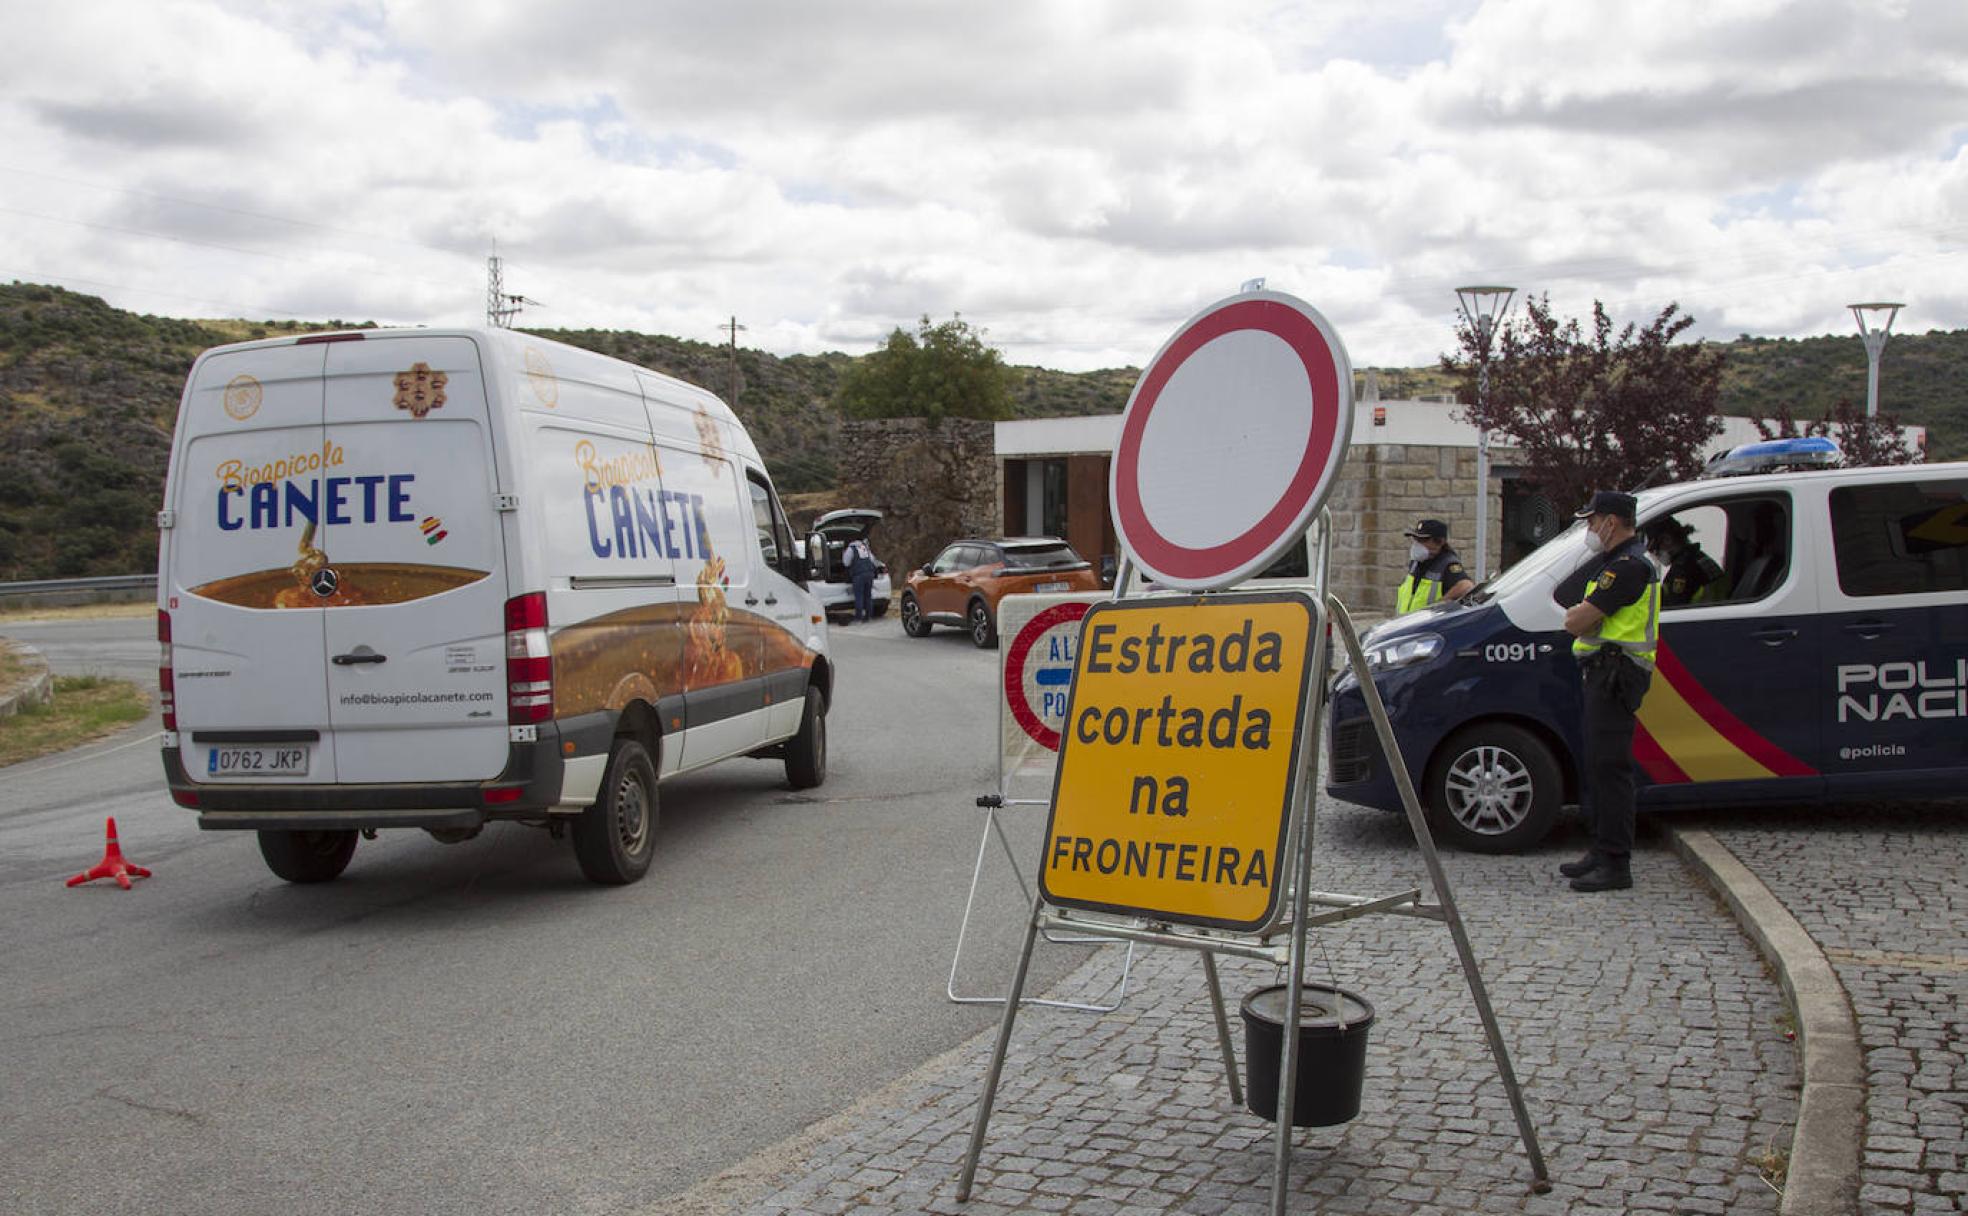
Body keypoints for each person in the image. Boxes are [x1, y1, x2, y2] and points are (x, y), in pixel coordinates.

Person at [1559, 491, 1661, 893]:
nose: (1589, 529)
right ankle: (1601, 850)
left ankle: (1616, 863)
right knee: (1599, 766)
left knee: (1612, 770)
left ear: (1611, 522)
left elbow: (1577, 620)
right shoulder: (1618, 563)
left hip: (1616, 674)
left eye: (1591, 522)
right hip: (1605, 673)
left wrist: (1580, 614)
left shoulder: (1627, 567)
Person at [1394, 519, 1474, 614]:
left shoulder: (1447, 564)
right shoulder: (1417, 562)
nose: (1417, 543)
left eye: (1422, 540)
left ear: (1439, 542)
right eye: (1416, 539)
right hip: (1408, 623)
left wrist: (1439, 606)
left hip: (1428, 626)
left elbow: (1466, 586)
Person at [1646, 517, 1729, 607]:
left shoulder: (1682, 570)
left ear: (1667, 540)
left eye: (1654, 548)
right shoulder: (1698, 558)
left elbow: (1673, 608)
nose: (1655, 555)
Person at [845, 536, 879, 623]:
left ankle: (858, 617)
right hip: (869, 574)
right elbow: (872, 559)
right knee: (868, 595)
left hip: (859, 575)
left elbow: (846, 562)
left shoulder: (851, 549)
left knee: (859, 596)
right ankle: (868, 616)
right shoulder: (865, 547)